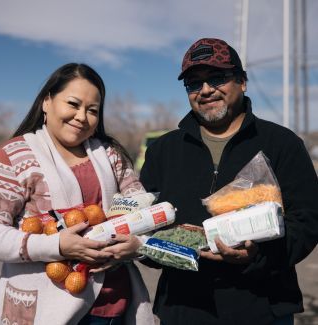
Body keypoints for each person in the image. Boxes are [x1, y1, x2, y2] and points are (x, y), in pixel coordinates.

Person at [139, 38, 318, 325]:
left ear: (242, 82)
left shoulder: (282, 143)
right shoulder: (164, 149)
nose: (206, 90)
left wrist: (259, 254)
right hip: (183, 310)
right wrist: (149, 250)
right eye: (194, 84)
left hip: (263, 309)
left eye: (217, 78)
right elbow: (145, 222)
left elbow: (308, 221)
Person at [0, 63, 154, 325]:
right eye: (73, 104)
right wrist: (55, 246)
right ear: (47, 102)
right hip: (43, 311)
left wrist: (136, 245)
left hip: (112, 307)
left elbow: (143, 212)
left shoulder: (111, 155)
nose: (82, 116)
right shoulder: (14, 156)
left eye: (92, 110)